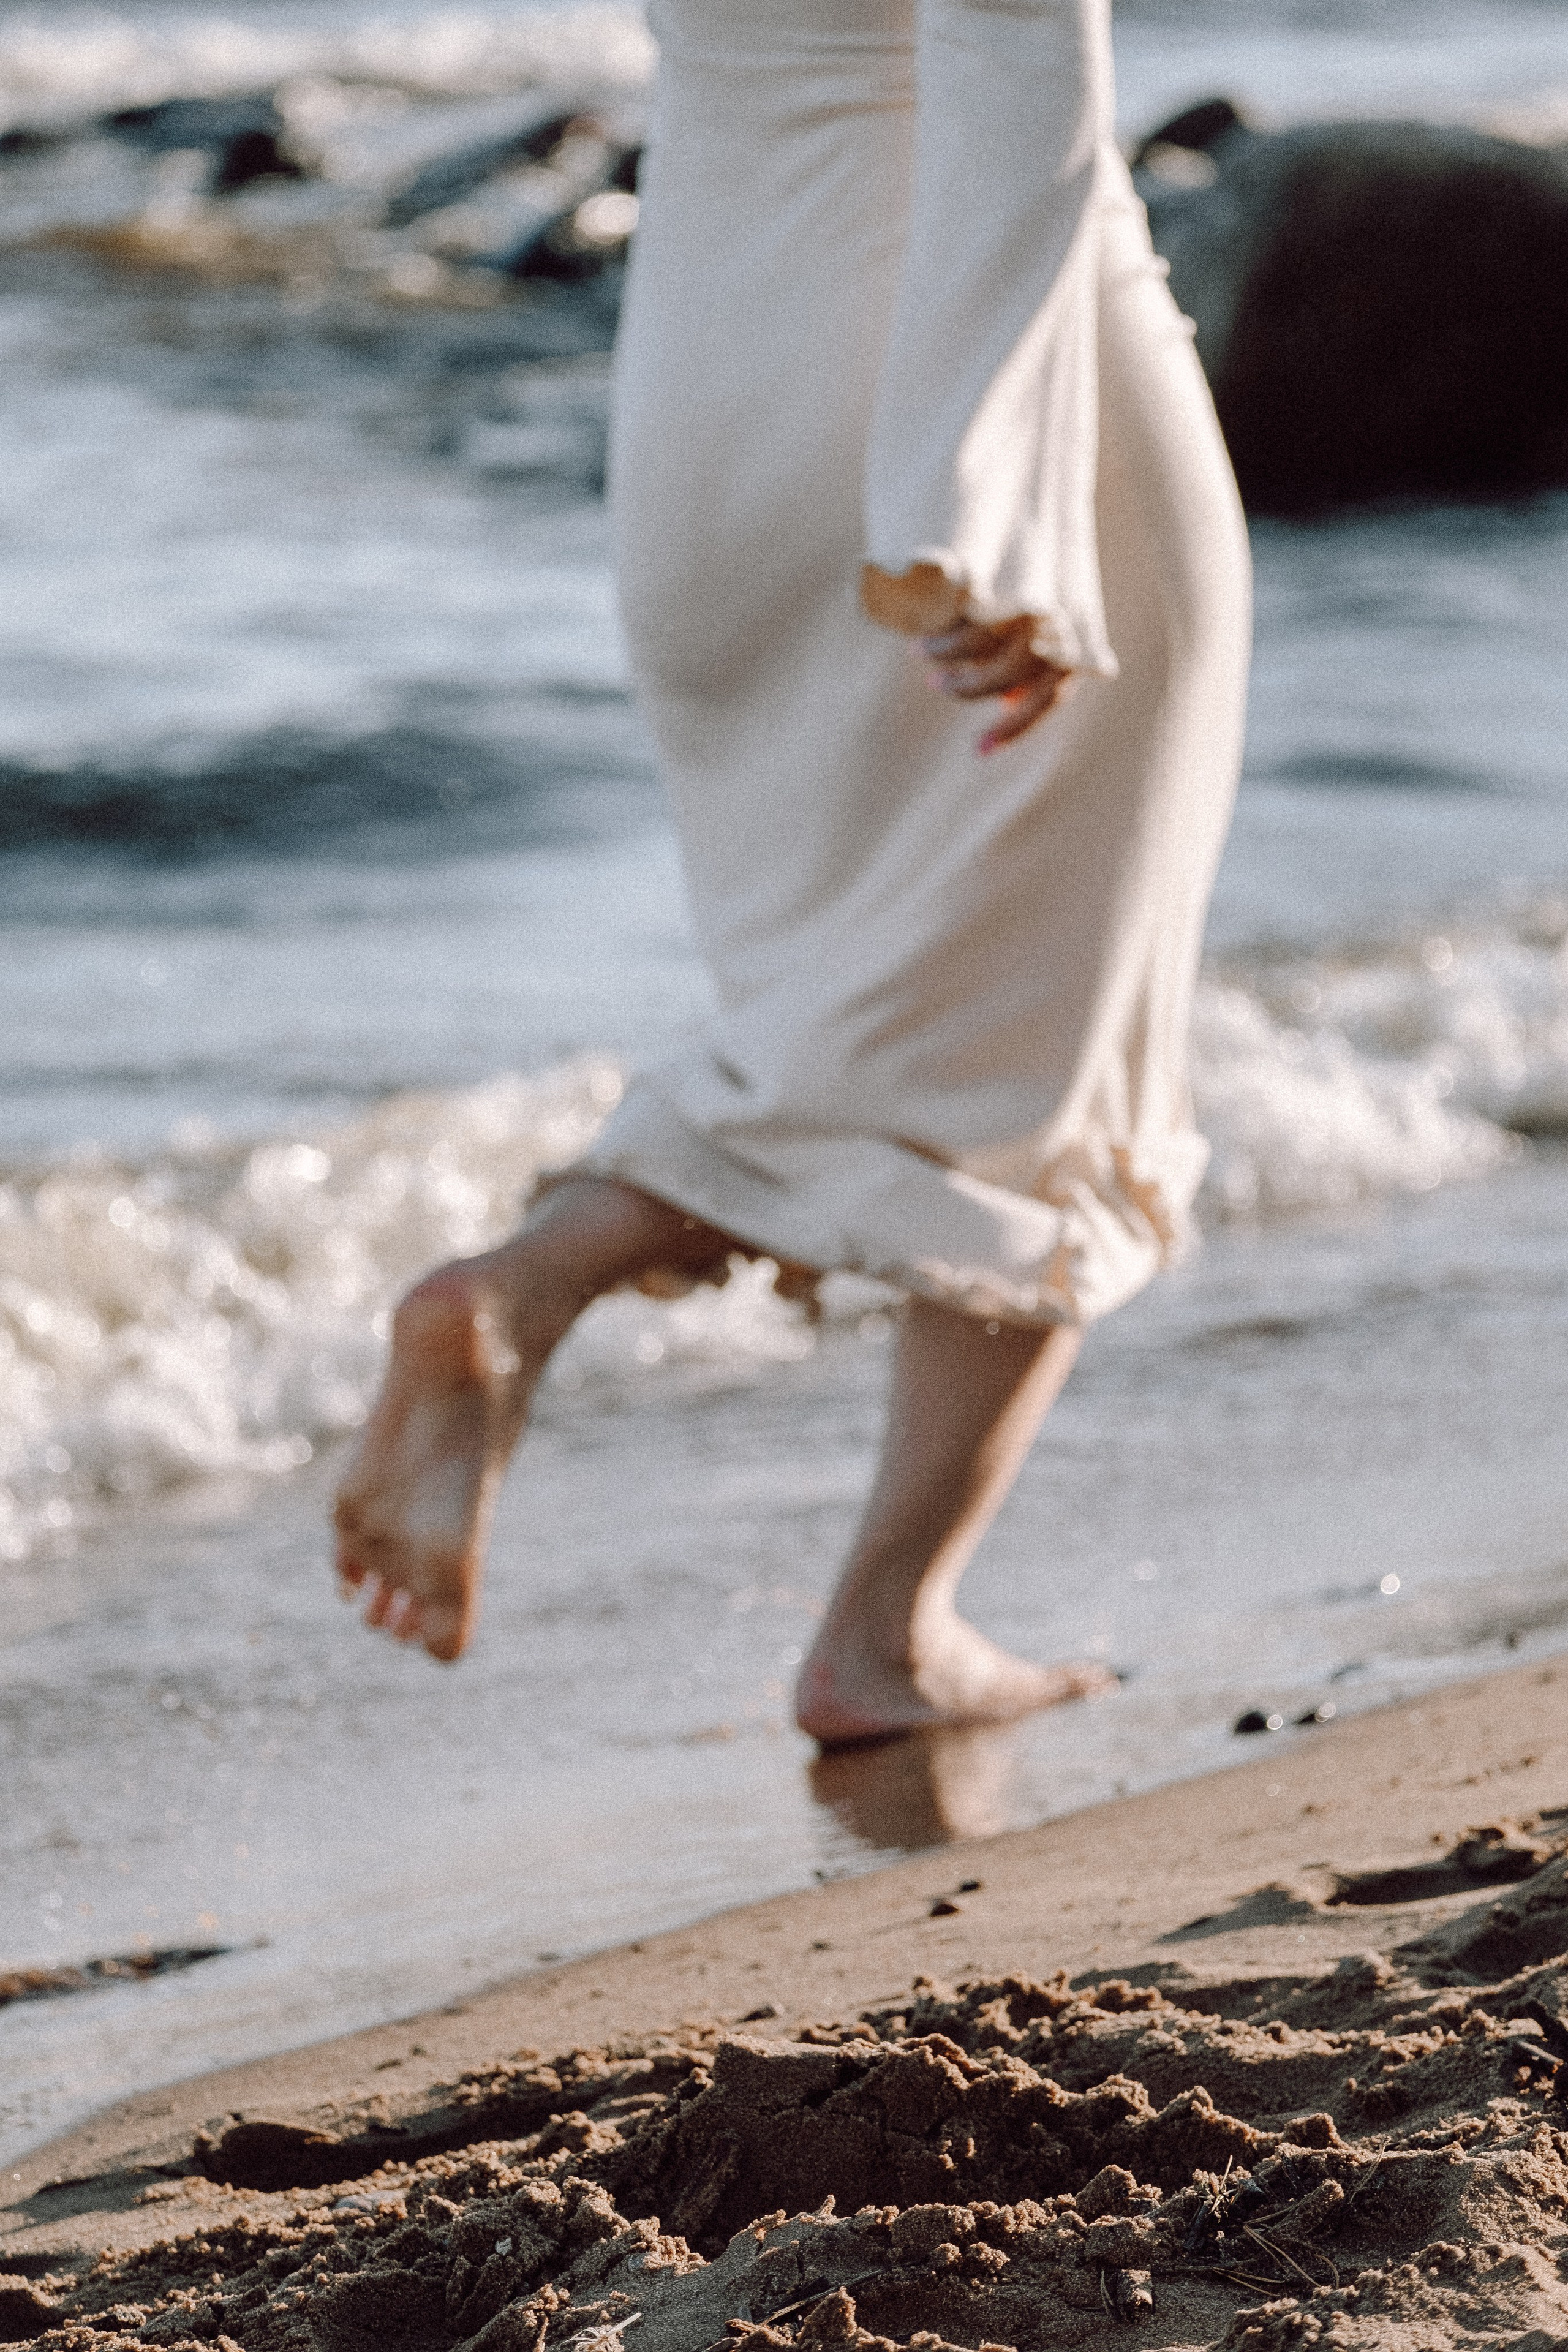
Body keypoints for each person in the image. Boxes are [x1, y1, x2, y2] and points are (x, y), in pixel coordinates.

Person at [333, 0, 1251, 1746]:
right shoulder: (977, 469)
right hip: (955, 391)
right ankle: (854, 1604)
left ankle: (852, 1586)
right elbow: (1014, 44)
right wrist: (988, 507)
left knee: (903, 1013)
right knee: (1053, 1049)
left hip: (717, 367)